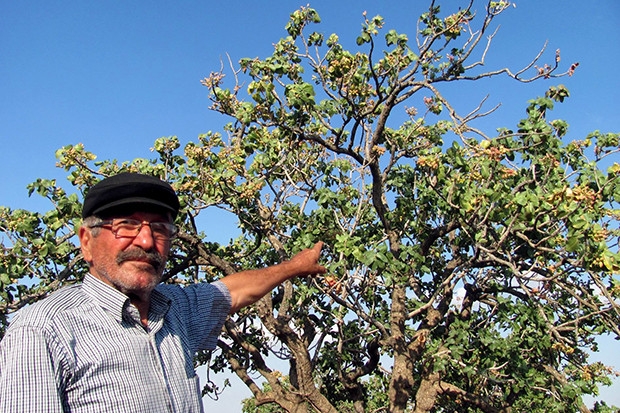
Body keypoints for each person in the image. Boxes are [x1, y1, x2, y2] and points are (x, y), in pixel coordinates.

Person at [0, 172, 326, 413]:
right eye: (126, 224)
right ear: (86, 241)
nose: (146, 241)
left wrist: (293, 267)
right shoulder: (42, 332)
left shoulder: (173, 309)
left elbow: (234, 291)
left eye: (159, 228)